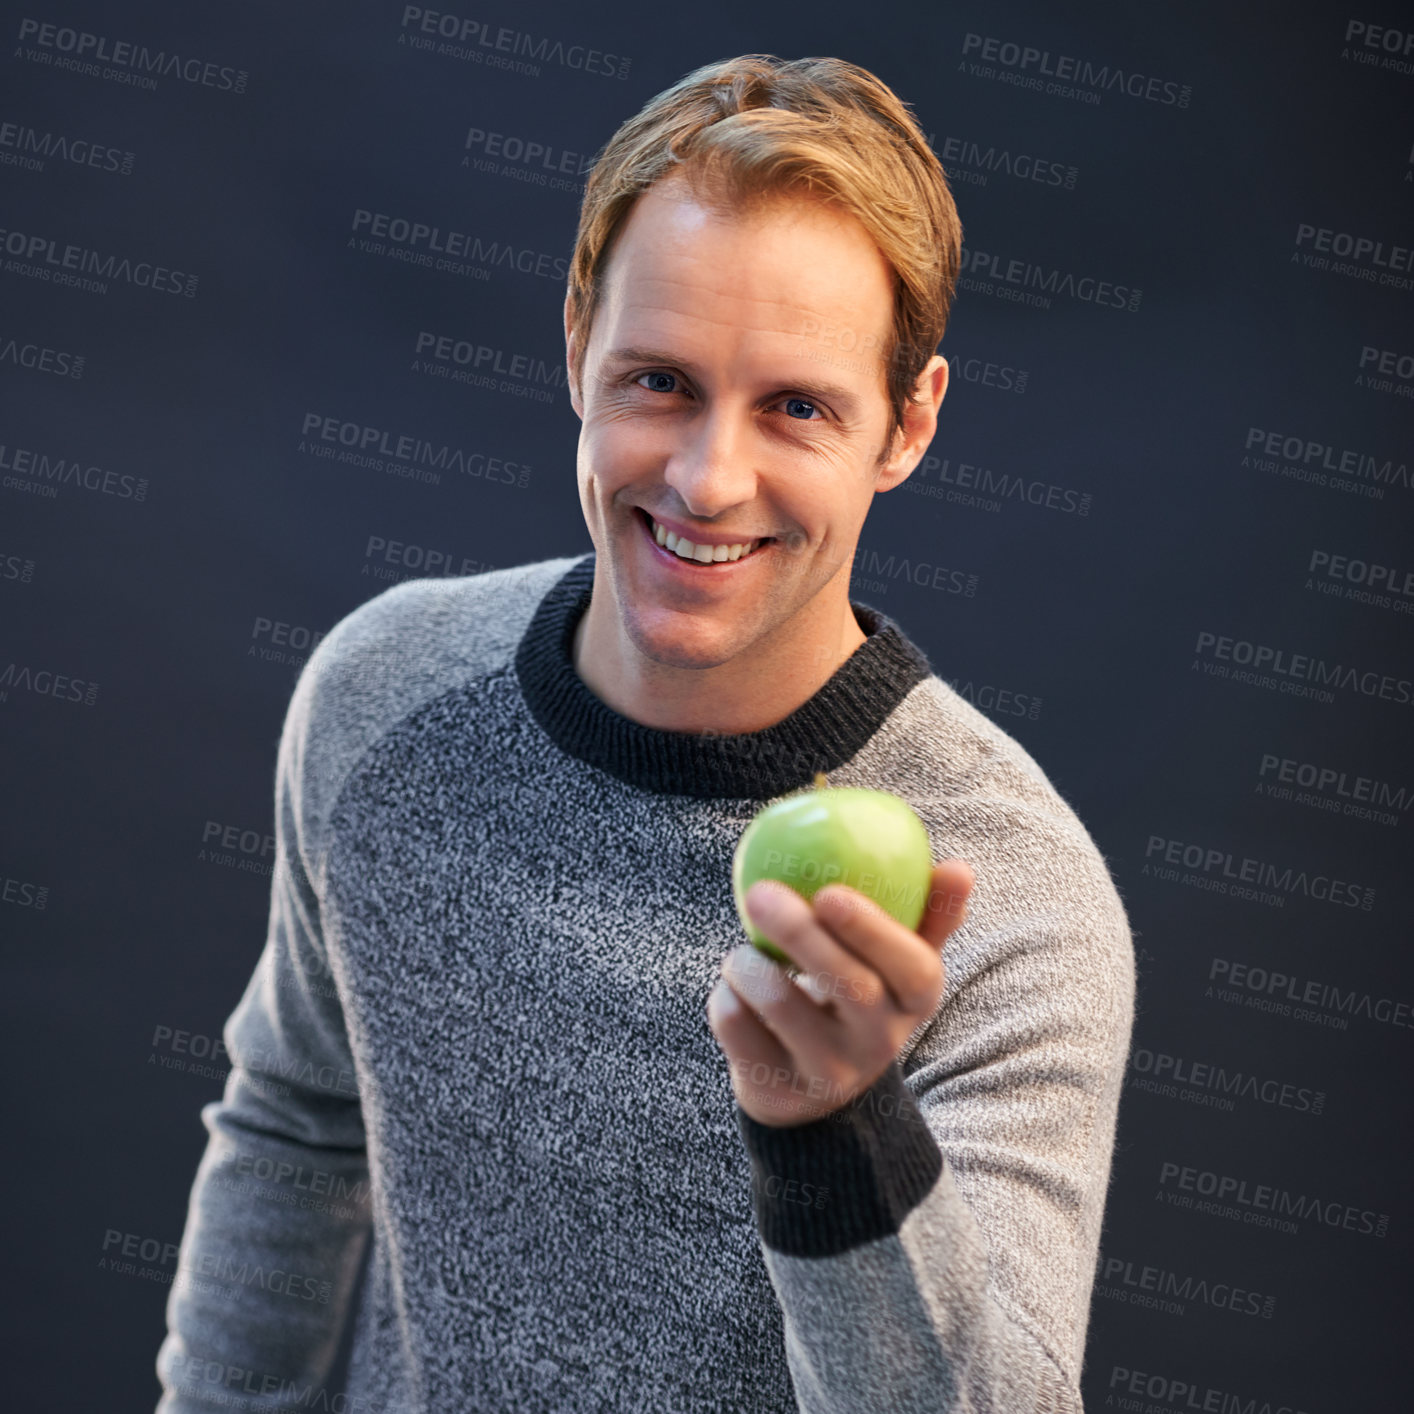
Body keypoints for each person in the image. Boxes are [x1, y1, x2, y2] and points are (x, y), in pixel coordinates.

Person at [155, 53, 1134, 1413]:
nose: (705, 478)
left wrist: (835, 1131)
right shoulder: (379, 694)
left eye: (795, 405)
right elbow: (295, 1125)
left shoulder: (1013, 898)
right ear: (575, 343)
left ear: (905, 424)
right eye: (660, 381)